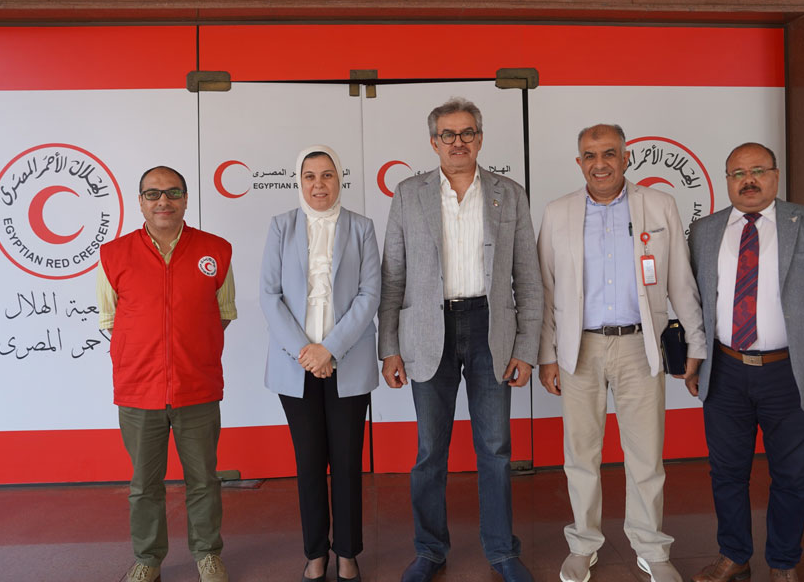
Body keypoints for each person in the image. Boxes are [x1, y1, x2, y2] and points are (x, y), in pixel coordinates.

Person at [378, 97, 542, 582]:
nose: (458, 142)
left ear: (480, 138)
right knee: (430, 451)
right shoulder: (409, 194)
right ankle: (430, 550)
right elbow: (393, 276)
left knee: (495, 448)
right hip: (428, 330)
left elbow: (528, 277)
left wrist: (526, 349)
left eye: (467, 132)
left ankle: (502, 550)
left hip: (491, 327)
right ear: (434, 142)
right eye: (447, 134)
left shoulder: (510, 194)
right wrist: (389, 347)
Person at [537, 124, 706, 582]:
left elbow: (680, 280)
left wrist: (695, 341)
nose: (600, 164)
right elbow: (546, 290)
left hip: (639, 345)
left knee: (646, 456)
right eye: (590, 155)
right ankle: (583, 545)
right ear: (579, 163)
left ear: (626, 157)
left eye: (609, 153)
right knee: (581, 455)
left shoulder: (659, 205)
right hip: (580, 348)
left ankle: (652, 548)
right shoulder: (557, 212)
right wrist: (547, 354)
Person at [686, 143, 804, 582]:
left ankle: (783, 562)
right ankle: (734, 555)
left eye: (758, 170)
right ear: (727, 181)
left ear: (775, 176)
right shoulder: (704, 230)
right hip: (725, 370)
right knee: (727, 473)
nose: (749, 180)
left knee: (792, 476)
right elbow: (695, 302)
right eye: (738, 173)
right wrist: (695, 358)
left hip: (790, 371)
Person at [97, 165, 235, 582]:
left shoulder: (216, 250)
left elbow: (223, 314)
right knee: (144, 485)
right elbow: (110, 320)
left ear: (186, 199)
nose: (164, 201)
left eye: (173, 192)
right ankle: (148, 559)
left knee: (204, 480)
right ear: (140, 202)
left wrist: (187, 350)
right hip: (138, 391)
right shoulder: (113, 254)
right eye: (153, 194)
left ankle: (207, 555)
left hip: (198, 387)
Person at [260, 145, 381, 582]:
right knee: (309, 463)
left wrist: (329, 349)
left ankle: (347, 552)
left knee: (347, 463)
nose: (318, 184)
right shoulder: (281, 226)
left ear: (339, 178)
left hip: (348, 362)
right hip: (296, 366)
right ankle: (315, 553)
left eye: (327, 175)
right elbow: (269, 296)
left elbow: (370, 295)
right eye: (309, 176)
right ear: (299, 181)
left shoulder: (362, 227)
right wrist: (307, 353)